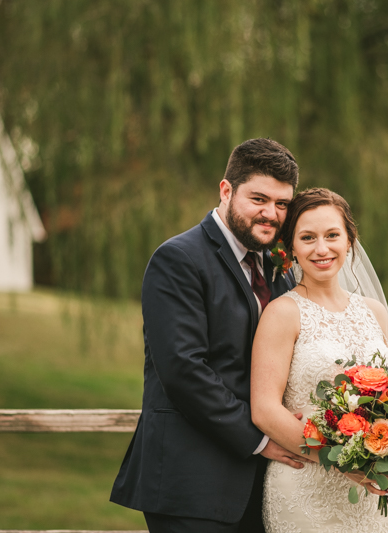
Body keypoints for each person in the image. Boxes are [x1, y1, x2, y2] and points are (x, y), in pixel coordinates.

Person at [110, 138, 308, 533]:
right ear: (226, 190)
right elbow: (184, 370)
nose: (271, 214)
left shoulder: (278, 264)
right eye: (259, 199)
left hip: (265, 486)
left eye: (282, 204)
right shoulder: (178, 259)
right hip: (192, 483)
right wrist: (262, 439)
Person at [251, 188, 388, 532]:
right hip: (306, 491)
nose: (321, 249)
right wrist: (343, 462)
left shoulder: (375, 312)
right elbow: (264, 409)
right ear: (290, 248)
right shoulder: (282, 313)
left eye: (332, 235)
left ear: (350, 240)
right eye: (307, 237)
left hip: (372, 497)